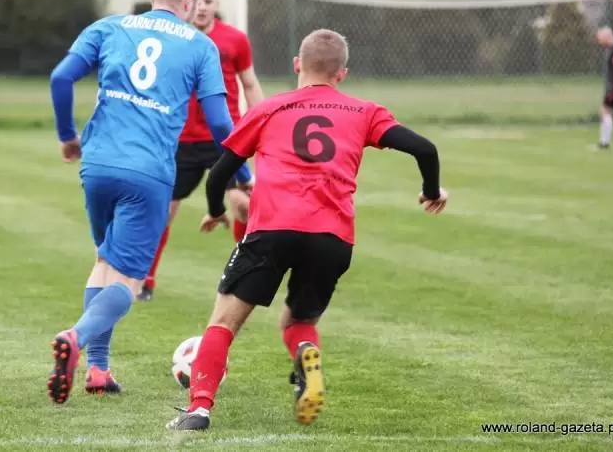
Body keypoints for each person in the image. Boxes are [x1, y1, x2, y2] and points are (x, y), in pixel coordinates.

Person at [166, 29, 448, 431]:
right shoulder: (364, 111)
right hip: (332, 238)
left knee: (223, 322)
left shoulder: (270, 108)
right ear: (342, 73)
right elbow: (425, 149)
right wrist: (431, 191)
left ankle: (198, 410)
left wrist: (215, 210)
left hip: (272, 229)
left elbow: (220, 175)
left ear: (297, 64)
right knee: (298, 321)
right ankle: (304, 351)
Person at [45, 0, 253, 404]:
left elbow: (61, 77)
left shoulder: (110, 26)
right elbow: (221, 122)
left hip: (97, 163)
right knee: (129, 282)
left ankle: (98, 369)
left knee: (105, 261)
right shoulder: (200, 45)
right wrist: (242, 172)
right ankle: (75, 338)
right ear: (189, 0)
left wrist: (67, 136)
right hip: (149, 171)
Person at [139, 0, 264, 302]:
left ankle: (242, 279)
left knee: (244, 205)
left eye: (209, 1)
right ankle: (146, 281)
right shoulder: (174, 38)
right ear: (188, 4)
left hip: (226, 138)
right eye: (199, 1)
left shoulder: (234, 40)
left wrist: (262, 125)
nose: (203, 7)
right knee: (163, 211)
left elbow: (249, 84)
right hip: (180, 140)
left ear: (215, 4)